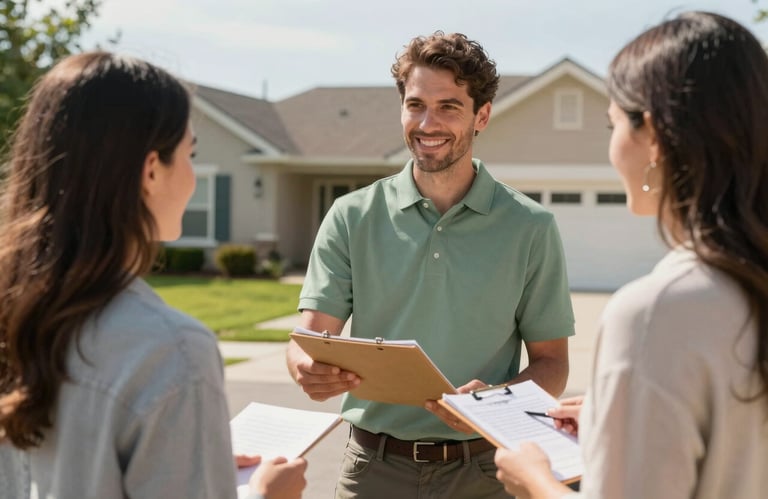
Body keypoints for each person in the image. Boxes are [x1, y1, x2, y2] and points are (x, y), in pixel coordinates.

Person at [0, 51, 306, 499]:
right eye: (190, 154)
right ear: (150, 171)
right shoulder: (171, 351)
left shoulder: (15, 318)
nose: (193, 176)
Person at [286, 31, 575, 498]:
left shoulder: (530, 226)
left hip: (486, 470)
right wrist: (305, 367)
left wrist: (498, 401)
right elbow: (310, 337)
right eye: (415, 104)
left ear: (481, 116)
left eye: (448, 107)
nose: (427, 122)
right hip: (373, 470)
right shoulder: (351, 215)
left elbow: (552, 364)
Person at [494, 11, 768, 499]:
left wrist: (533, 480)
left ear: (655, 139)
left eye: (613, 124)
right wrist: (614, 420)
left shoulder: (656, 313)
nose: (611, 145)